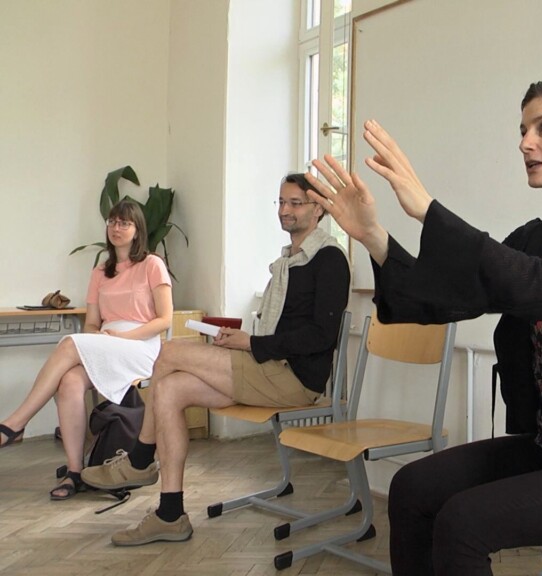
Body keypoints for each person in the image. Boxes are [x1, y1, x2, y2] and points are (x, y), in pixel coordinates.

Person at [305, 73, 542, 575]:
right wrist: (374, 236)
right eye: (523, 130)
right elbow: (444, 300)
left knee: (464, 522)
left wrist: (428, 210)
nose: (525, 142)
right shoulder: (532, 239)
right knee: (411, 488)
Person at [81, 173, 350, 546]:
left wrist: (252, 343)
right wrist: (240, 341)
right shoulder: (287, 261)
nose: (284, 210)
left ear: (318, 209)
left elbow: (322, 336)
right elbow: (280, 328)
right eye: (281, 202)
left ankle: (141, 459)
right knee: (170, 389)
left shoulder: (330, 259)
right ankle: (170, 515)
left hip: (294, 379)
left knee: (169, 351)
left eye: (295, 203)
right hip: (267, 368)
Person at [0, 199, 173, 501]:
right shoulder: (100, 272)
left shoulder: (152, 265)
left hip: (140, 346)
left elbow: (165, 319)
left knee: (69, 343)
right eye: (112, 221)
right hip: (108, 343)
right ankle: (75, 472)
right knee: (69, 381)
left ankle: (15, 423)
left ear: (137, 230)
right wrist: (100, 338)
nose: (116, 227)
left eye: (124, 223)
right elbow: (92, 323)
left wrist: (124, 337)